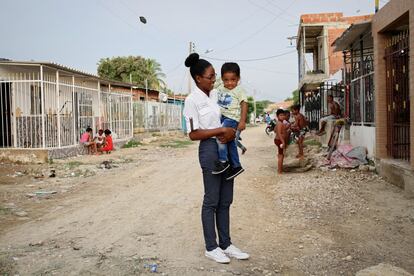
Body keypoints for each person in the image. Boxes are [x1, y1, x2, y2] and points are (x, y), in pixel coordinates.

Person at [183, 53, 249, 264]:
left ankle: (226, 244)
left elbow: (234, 112)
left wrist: (231, 131)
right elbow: (193, 134)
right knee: (211, 200)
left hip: (226, 146)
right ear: (198, 78)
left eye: (214, 77)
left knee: (226, 200)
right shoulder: (192, 100)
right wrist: (220, 130)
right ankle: (211, 247)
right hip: (210, 150)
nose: (214, 80)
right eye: (210, 77)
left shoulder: (215, 95)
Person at [214, 62, 248, 177]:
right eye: (226, 80)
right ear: (222, 79)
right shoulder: (219, 86)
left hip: (232, 118)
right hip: (222, 117)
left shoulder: (239, 90)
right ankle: (236, 166)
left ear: (238, 78)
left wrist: (242, 121)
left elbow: (244, 104)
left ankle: (223, 162)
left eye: (233, 80)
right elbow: (212, 81)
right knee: (231, 142)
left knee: (221, 137)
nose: (229, 83)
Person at [274, 109, 287, 174]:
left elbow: (275, 130)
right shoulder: (279, 123)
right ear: (277, 116)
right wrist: (283, 142)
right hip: (279, 140)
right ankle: (279, 171)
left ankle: (280, 169)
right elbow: (278, 133)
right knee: (281, 155)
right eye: (281, 115)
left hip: (279, 140)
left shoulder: (280, 123)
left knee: (281, 155)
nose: (282, 116)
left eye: (283, 115)